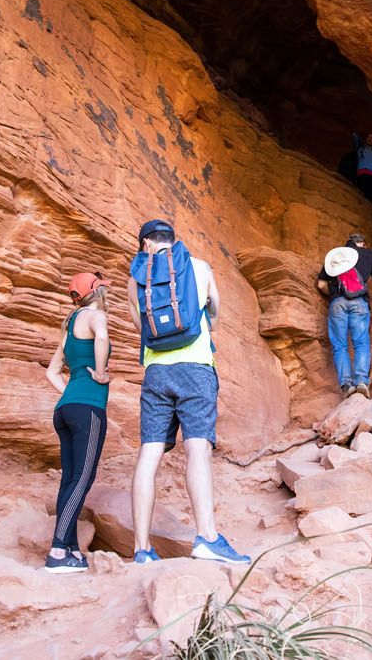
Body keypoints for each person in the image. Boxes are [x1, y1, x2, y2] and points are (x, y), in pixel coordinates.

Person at [126, 219, 249, 565]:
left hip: (155, 373)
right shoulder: (198, 266)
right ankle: (207, 538)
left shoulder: (136, 278)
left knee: (149, 455)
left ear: (145, 244)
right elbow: (215, 308)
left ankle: (141, 549)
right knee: (197, 450)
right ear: (171, 241)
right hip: (196, 367)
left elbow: (140, 326)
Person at [41, 271, 113, 574]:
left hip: (65, 409)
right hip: (88, 407)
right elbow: (103, 336)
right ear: (97, 293)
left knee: (70, 478)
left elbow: (51, 372)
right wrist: (98, 373)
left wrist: (71, 390)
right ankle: (58, 551)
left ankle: (69, 547)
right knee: (83, 477)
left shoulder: (69, 326)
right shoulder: (95, 316)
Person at [316, 234, 372, 398]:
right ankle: (362, 382)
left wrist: (334, 295)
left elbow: (321, 284)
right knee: (361, 343)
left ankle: (346, 385)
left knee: (339, 346)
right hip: (359, 302)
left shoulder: (335, 255)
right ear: (361, 243)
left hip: (337, 304)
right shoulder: (366, 253)